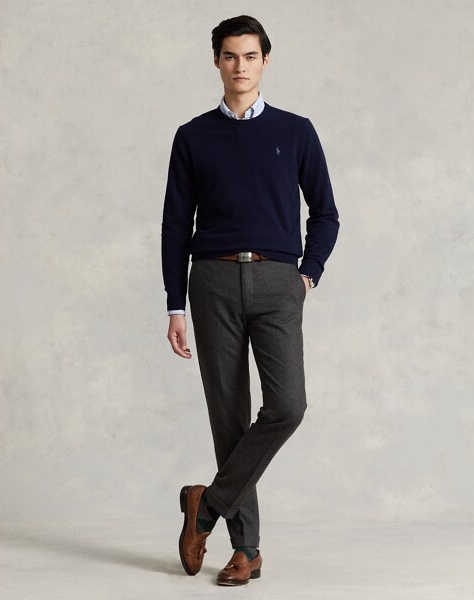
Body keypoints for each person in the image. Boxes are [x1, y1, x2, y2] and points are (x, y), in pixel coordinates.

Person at [161, 15, 339, 586]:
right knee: (229, 416)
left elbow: (326, 214)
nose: (240, 66)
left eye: (251, 56)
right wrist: (174, 305)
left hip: (277, 282)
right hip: (211, 280)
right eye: (230, 56)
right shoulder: (193, 136)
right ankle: (247, 550)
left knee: (288, 406)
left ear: (265, 60)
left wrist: (306, 275)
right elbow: (174, 225)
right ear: (217, 61)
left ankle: (205, 507)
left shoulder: (297, 131)